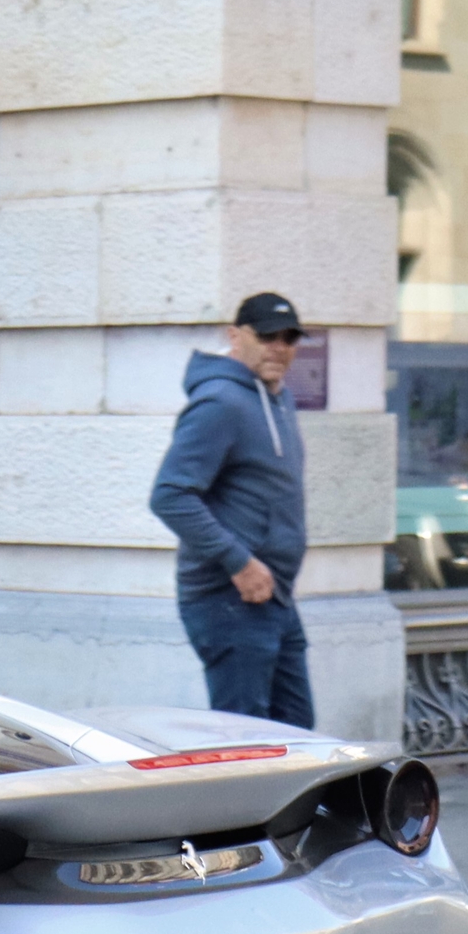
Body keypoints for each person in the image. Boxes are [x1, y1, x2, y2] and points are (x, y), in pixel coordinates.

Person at [149, 293, 314, 728]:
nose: (280, 347)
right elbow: (170, 494)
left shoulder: (280, 399)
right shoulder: (221, 403)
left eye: (290, 338)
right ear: (235, 336)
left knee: (298, 735)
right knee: (246, 743)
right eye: (267, 336)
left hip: (275, 597)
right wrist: (238, 562)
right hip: (229, 598)